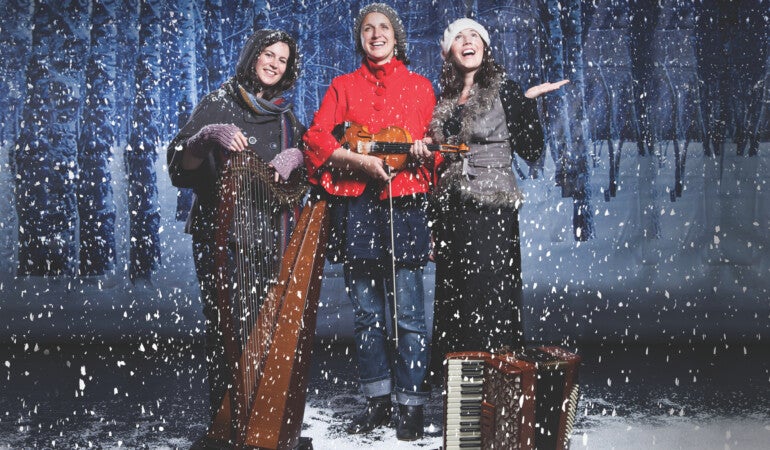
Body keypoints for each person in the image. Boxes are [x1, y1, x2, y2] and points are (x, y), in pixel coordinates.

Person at [302, 3, 435, 441]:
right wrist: (358, 162)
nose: (376, 34)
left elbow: (435, 149)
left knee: (410, 314)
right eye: (367, 29)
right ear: (360, 39)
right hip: (358, 207)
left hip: (406, 204)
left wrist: (425, 151)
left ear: (396, 36)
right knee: (367, 314)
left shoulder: (420, 87)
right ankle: (378, 402)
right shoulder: (342, 86)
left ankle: (411, 405)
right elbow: (316, 138)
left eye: (384, 28)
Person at [411, 18, 568, 379]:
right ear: (448, 52)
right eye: (459, 37)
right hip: (452, 213)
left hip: (490, 212)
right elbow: (442, 164)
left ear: (485, 46)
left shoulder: (505, 90)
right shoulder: (446, 101)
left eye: (474, 35)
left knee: (490, 300)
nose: (468, 41)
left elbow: (532, 150)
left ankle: (494, 388)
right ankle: (460, 394)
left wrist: (526, 105)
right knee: (455, 302)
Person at [166, 29, 305, 423]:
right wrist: (206, 136)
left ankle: (261, 420)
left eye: (282, 59)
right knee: (227, 333)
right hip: (222, 240)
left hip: (270, 240)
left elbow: (305, 172)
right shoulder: (219, 102)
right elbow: (178, 166)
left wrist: (295, 156)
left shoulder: (284, 118)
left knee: (265, 332)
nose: (274, 64)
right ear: (252, 56)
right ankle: (227, 421)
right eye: (268, 54)